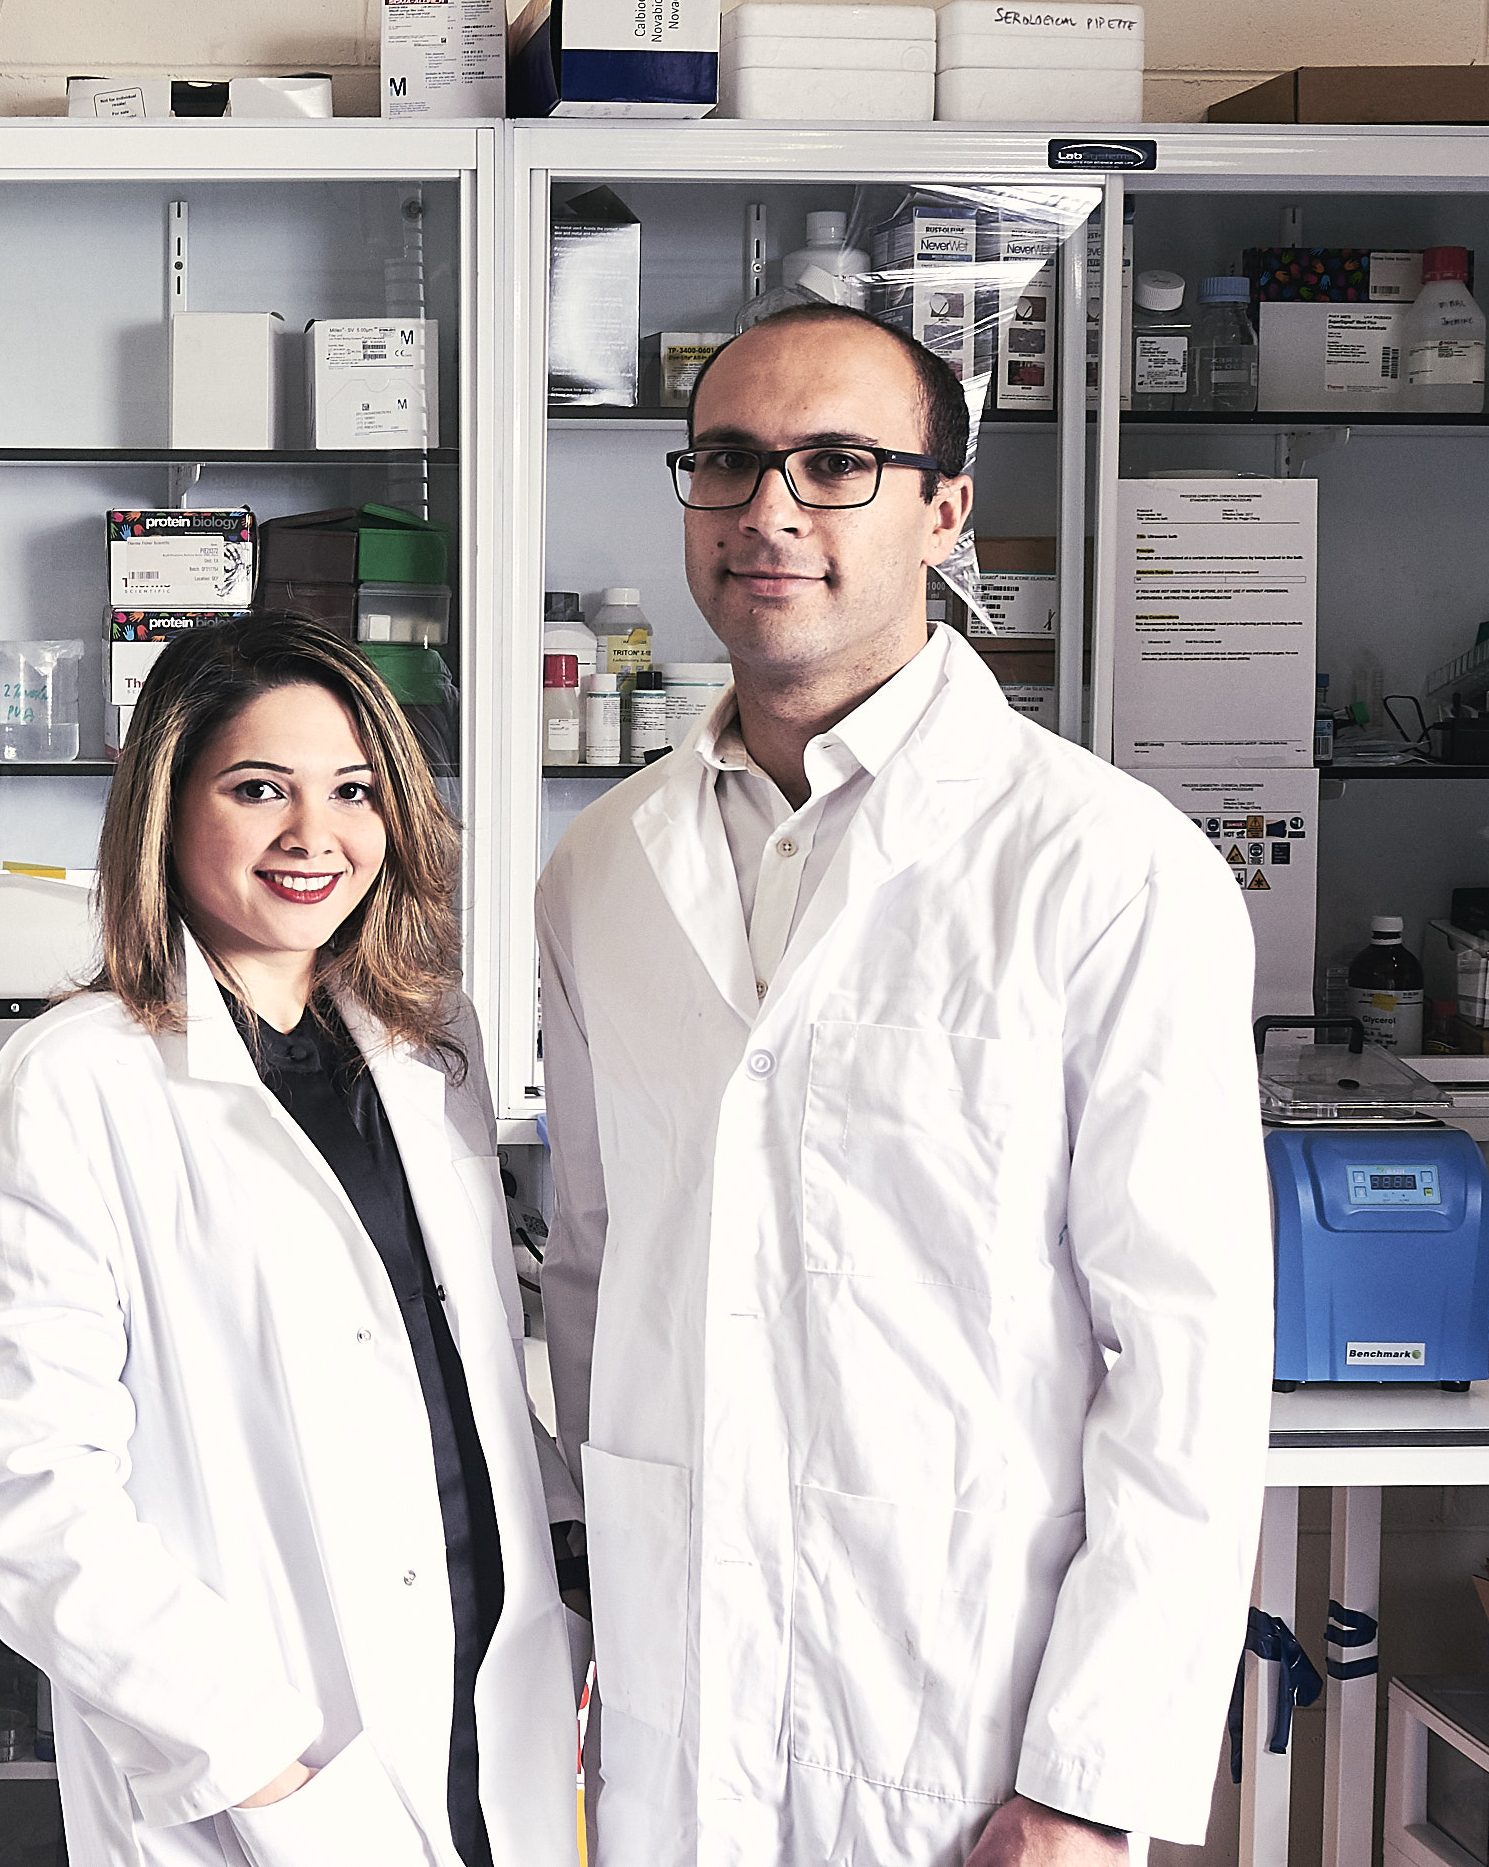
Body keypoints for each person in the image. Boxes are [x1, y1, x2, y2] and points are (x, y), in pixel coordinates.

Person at [536, 302, 1271, 1865]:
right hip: (678, 1705)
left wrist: (1089, 1779)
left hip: (967, 1714)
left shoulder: (1106, 865)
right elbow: (599, 1268)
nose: (769, 509)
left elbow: (1186, 1362)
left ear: (945, 512)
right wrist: (606, 1603)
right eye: (728, 462)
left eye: (836, 463)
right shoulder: (601, 866)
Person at [0, 613, 575, 1867]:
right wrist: (265, 1770)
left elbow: (464, 1383)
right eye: (258, 789)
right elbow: (29, 1496)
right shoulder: (74, 1081)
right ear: (167, 810)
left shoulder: (427, 1041)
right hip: (267, 1760)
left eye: (353, 790)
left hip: (493, 1698)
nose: (313, 835)